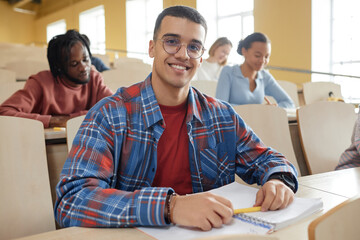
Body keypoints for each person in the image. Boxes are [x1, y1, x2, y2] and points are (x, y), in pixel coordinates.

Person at [55, 6, 298, 231]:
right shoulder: (110, 115)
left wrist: (278, 179)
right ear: (152, 48)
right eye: (171, 42)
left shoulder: (222, 115)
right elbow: (71, 201)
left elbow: (268, 158)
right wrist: (170, 206)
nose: (183, 54)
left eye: (194, 47)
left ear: (201, 57)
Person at [0, 30, 113, 128]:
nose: (84, 68)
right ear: (59, 67)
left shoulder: (94, 78)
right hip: (45, 146)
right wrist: (53, 121)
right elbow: (4, 112)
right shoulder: (40, 83)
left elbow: (115, 109)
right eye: (74, 63)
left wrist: (70, 119)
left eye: (85, 59)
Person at [215, 32, 295, 109]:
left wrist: (274, 108)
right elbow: (220, 106)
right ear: (244, 51)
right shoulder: (228, 72)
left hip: (259, 122)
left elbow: (289, 103)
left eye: (266, 57)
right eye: (257, 55)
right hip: (234, 122)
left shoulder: (265, 77)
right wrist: (258, 109)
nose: (262, 61)